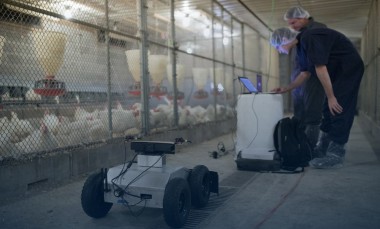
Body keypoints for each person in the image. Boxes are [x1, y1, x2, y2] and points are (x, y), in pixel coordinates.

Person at [270, 27, 364, 169]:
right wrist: (287, 88)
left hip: (348, 68)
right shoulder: (300, 46)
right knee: (327, 109)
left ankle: (335, 154)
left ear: (284, 40)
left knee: (339, 107)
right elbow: (304, 74)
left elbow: (320, 67)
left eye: (277, 46)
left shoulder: (310, 37)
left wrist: (331, 96)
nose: (278, 50)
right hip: (336, 71)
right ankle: (323, 148)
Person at [283, 6, 327, 150]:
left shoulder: (318, 27)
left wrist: (292, 42)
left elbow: (316, 61)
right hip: (301, 80)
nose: (292, 27)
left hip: (313, 78)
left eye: (293, 23)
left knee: (313, 113)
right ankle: (300, 145)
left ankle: (309, 148)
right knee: (300, 113)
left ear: (303, 18)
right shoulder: (301, 33)